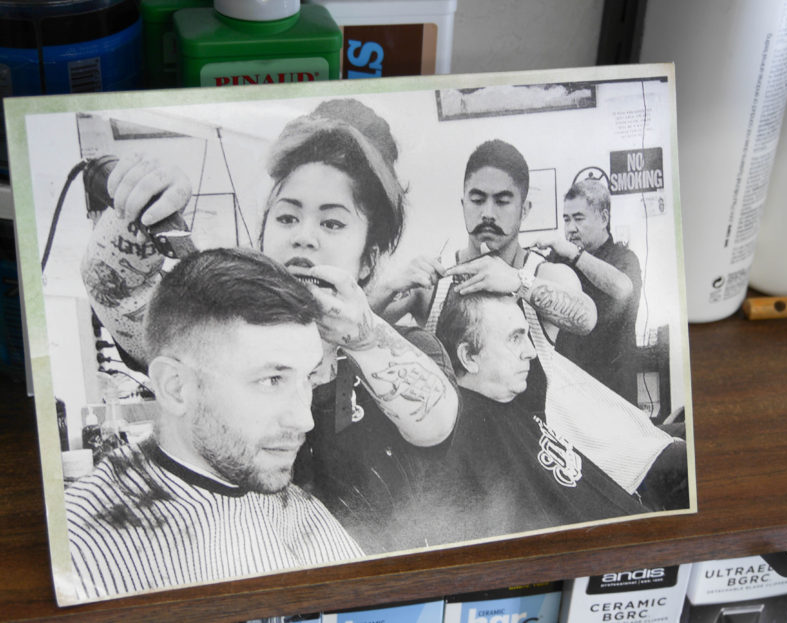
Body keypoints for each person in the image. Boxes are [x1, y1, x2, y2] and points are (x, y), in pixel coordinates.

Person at [79, 98, 459, 554]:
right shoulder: (220, 333)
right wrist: (139, 201)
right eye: (287, 217)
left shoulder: (412, 349)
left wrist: (363, 337)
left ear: (368, 258)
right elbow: (115, 293)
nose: (304, 236)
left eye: (332, 222)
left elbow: (436, 423)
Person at [65, 248, 363, 602]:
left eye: (308, 378)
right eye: (271, 380)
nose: (304, 419)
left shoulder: (295, 509)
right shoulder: (77, 550)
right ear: (176, 387)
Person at [370, 138, 596, 413]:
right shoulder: (433, 284)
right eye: (477, 200)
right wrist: (391, 285)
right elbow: (351, 323)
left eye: (502, 201)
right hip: (452, 438)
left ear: (524, 210)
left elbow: (587, 318)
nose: (487, 214)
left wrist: (518, 281)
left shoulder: (543, 273)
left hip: (524, 437)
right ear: (463, 204)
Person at [419, 290, 653, 545]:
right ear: (468, 357)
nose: (531, 351)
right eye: (515, 338)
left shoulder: (514, 400)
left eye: (527, 336)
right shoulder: (468, 435)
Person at [533, 179, 642, 403]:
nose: (570, 228)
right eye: (566, 219)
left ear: (603, 219)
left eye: (578, 218)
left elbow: (622, 288)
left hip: (613, 391)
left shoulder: (625, 258)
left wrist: (575, 254)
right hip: (569, 390)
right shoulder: (558, 260)